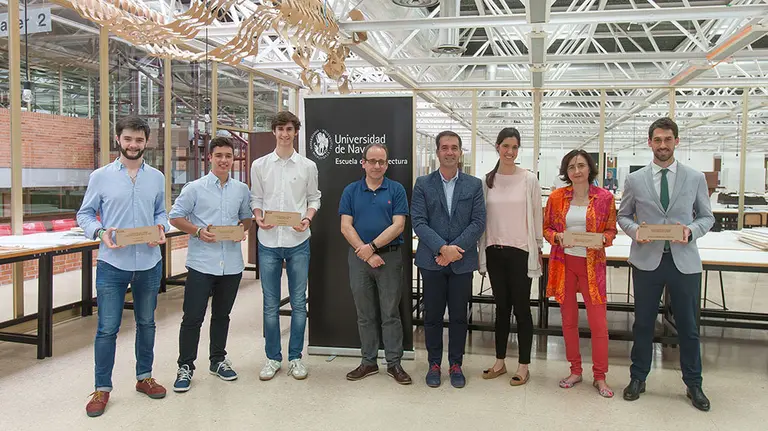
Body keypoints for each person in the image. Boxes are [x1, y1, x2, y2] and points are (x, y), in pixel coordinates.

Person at [618, 117, 714, 411]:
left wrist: (691, 231)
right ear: (649, 142)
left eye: (667, 139)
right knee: (644, 323)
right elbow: (623, 216)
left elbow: (706, 217)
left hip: (683, 261)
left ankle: (693, 384)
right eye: (657, 140)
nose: (662, 145)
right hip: (647, 261)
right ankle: (638, 377)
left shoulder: (695, 177)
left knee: (688, 326)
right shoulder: (635, 179)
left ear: (676, 141)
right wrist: (637, 232)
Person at [76, 115, 170, 417]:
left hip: (148, 263)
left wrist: (160, 228)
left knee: (147, 323)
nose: (133, 145)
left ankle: (145, 377)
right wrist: (101, 233)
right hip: (112, 264)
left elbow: (161, 212)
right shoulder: (101, 176)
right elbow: (85, 215)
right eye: (128, 139)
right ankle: (101, 388)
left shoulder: (156, 177)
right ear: (119, 140)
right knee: (107, 328)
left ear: (146, 142)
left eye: (139, 140)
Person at [168, 137, 253, 392]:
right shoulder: (194, 188)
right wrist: (197, 231)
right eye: (219, 156)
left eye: (228, 156)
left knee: (222, 316)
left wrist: (242, 229)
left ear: (233, 158)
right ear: (210, 158)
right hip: (201, 264)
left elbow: (247, 218)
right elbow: (175, 217)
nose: (224, 160)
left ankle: (217, 360)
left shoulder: (241, 189)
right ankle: (185, 366)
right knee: (192, 317)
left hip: (231, 265)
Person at [250, 111, 321, 381]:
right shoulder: (260, 165)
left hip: (298, 241)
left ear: (296, 132)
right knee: (270, 304)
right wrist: (258, 217)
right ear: (274, 132)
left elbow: (314, 199)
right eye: (280, 129)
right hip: (269, 241)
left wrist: (307, 218)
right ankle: (272, 358)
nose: (284, 133)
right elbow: (255, 198)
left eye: (289, 129)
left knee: (299, 304)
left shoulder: (307, 166)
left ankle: (295, 358)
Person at [411, 130, 485, 389]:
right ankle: (433, 363)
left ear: (460, 152)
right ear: (438, 152)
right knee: (431, 316)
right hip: (431, 261)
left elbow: (478, 222)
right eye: (445, 148)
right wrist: (443, 248)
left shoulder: (474, 185)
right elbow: (418, 222)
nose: (450, 152)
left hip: (462, 262)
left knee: (458, 317)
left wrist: (454, 250)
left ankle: (456, 364)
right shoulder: (423, 183)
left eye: (454, 147)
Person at [543, 150, 617, 398]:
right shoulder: (556, 197)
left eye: (582, 165)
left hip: (592, 266)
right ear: (566, 171)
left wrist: (601, 240)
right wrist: (557, 237)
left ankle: (600, 376)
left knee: (599, 324)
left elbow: (610, 230)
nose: (577, 171)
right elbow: (547, 228)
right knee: (568, 321)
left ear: (590, 169)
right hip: (565, 265)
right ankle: (575, 370)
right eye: (572, 167)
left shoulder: (605, 198)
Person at [339, 143, 412, 385]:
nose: (377, 166)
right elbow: (345, 226)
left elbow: (398, 225)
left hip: (389, 258)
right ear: (363, 163)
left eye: (381, 162)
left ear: (387, 164)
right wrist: (367, 253)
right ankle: (368, 361)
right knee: (365, 314)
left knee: (391, 313)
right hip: (360, 259)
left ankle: (394, 363)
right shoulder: (351, 190)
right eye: (372, 161)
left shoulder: (396, 189)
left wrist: (372, 248)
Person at [477, 127, 543, 387]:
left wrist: (537, 246)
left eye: (515, 147)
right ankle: (500, 361)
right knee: (501, 309)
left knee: (522, 309)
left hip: (520, 252)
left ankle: (524, 365)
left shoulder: (529, 179)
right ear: (497, 147)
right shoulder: (487, 181)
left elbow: (537, 214)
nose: (510, 152)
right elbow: (483, 218)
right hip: (495, 250)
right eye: (506, 146)